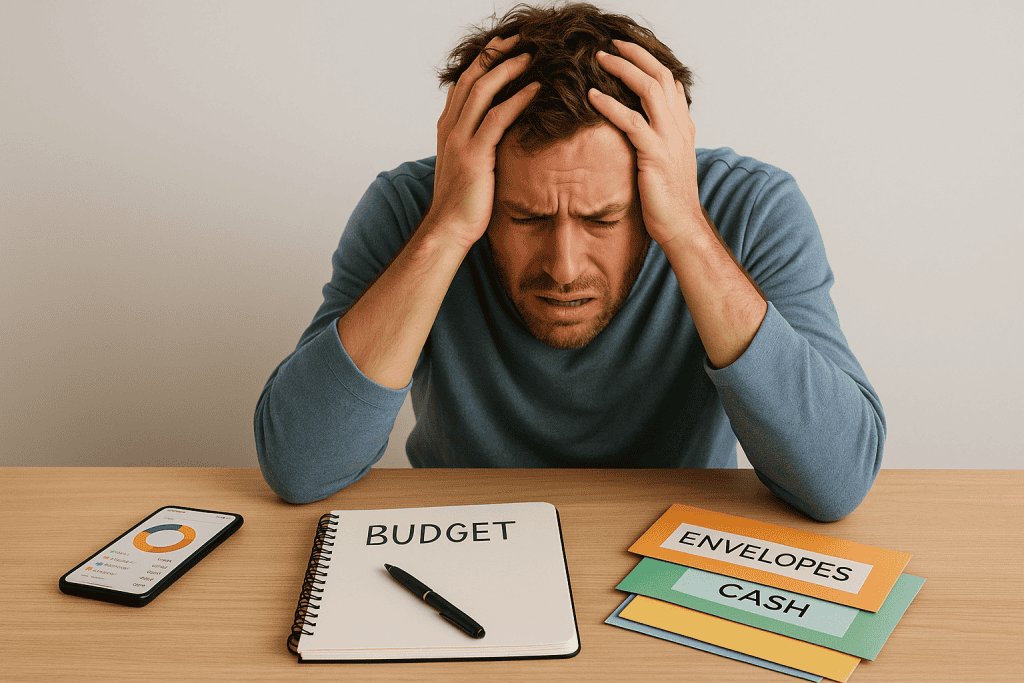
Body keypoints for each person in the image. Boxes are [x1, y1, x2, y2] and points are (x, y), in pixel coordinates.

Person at [254, 3, 885, 522]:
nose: (563, 266)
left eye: (604, 220)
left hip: (674, 548)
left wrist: (687, 230)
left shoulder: (749, 208)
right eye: (525, 217)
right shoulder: (415, 208)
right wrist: (446, 229)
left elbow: (836, 481)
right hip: (464, 542)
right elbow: (301, 468)